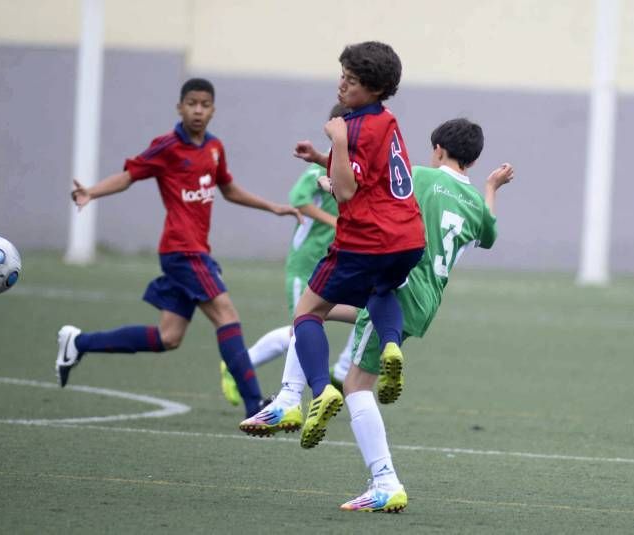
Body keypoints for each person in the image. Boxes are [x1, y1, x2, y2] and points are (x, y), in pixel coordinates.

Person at [245, 118, 515, 513]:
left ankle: (384, 479)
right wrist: (491, 188)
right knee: (316, 310)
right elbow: (488, 232)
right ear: (472, 162)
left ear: (438, 148)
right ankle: (296, 393)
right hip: (426, 302)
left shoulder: (420, 178)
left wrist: (328, 175)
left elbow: (367, 189)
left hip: (398, 286)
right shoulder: (474, 203)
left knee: (355, 384)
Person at [55, 78, 301, 419]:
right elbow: (129, 175)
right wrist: (91, 192)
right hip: (182, 251)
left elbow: (228, 189)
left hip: (195, 250)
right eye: (191, 103)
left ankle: (78, 343)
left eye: (204, 104)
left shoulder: (214, 148)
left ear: (213, 109)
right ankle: (255, 404)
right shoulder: (166, 146)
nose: (197, 110)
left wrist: (272, 207)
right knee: (226, 314)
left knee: (168, 337)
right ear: (179, 107)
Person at [241, 41, 427, 450]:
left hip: (367, 239)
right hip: (408, 237)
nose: (342, 85)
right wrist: (321, 157)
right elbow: (368, 172)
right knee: (381, 290)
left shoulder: (354, 127)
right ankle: (392, 344)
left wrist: (338, 140)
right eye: (342, 74)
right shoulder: (386, 118)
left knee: (307, 312)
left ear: (375, 89)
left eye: (353, 81)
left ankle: (322, 390)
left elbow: (344, 191)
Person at [219, 104, 356, 407]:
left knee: (350, 316)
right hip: (306, 263)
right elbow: (299, 203)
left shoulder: (352, 168)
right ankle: (241, 368)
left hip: (334, 264)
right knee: (301, 328)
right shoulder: (319, 168)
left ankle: (336, 374)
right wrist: (336, 222)